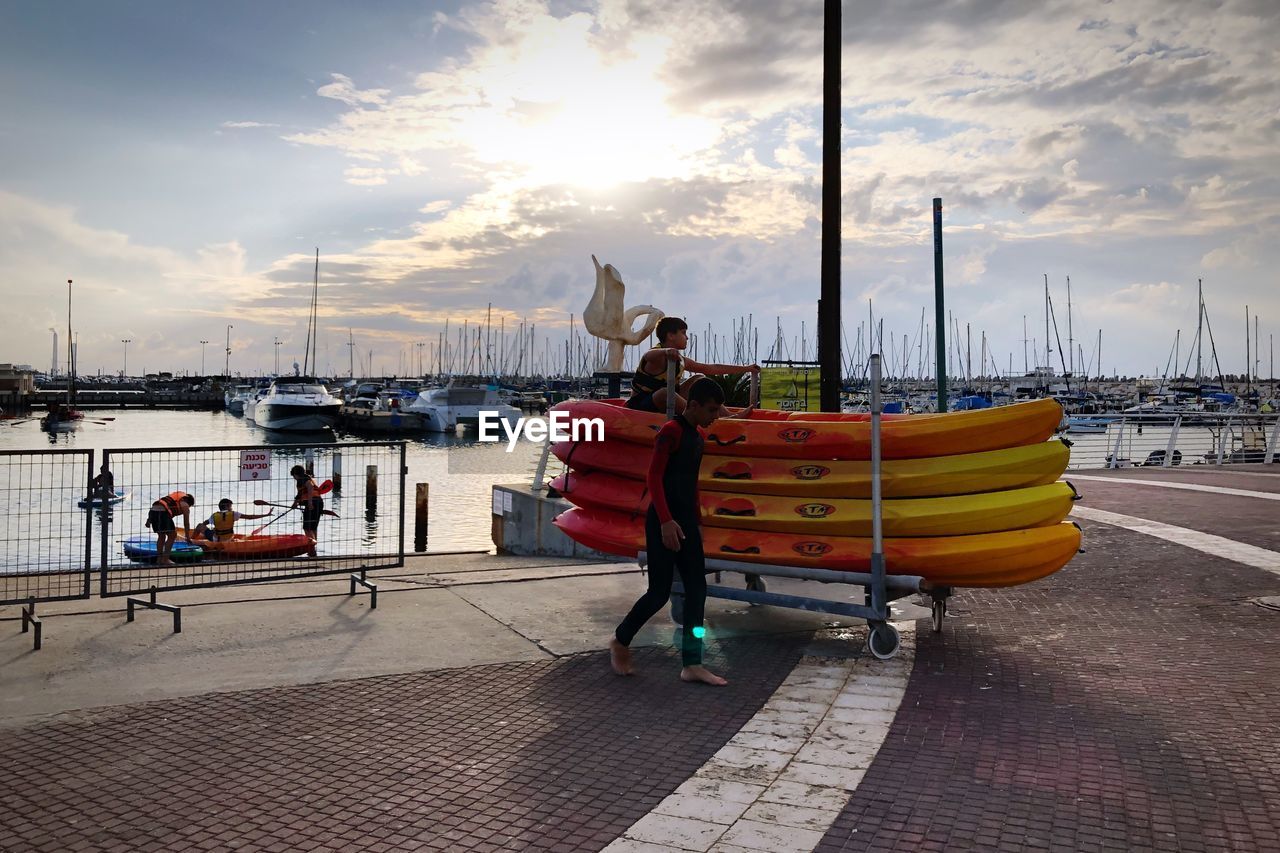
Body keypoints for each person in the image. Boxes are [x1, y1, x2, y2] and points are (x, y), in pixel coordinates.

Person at [610, 377, 728, 686]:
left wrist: (698, 523)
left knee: (697, 592)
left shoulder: (699, 437)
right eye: (712, 410)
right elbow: (653, 478)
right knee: (659, 593)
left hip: (686, 523)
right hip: (663, 522)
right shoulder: (670, 432)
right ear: (693, 405)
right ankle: (621, 640)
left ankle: (692, 662)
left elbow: (690, 485)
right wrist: (665, 521)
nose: (715, 416)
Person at [625, 317, 759, 416]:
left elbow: (711, 368)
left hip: (666, 404)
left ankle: (729, 416)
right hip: (641, 406)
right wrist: (666, 352)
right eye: (683, 333)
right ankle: (702, 417)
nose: (687, 338)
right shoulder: (657, 357)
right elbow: (648, 355)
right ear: (671, 335)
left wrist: (746, 368)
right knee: (665, 393)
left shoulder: (681, 360)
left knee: (699, 378)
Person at [146, 491, 194, 566]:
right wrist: (187, 537)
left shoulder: (173, 500)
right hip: (162, 512)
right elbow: (186, 523)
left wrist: (149, 520)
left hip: (152, 512)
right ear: (189, 502)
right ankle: (165, 559)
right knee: (172, 535)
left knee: (161, 536)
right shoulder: (185, 505)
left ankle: (159, 559)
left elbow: (159, 505)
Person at [193, 498, 271, 542]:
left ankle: (191, 540)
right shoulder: (234, 514)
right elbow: (250, 517)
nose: (231, 508)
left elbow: (204, 523)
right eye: (230, 506)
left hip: (216, 539)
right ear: (227, 507)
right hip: (229, 538)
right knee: (215, 529)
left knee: (200, 526)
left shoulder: (214, 516)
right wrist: (266, 515)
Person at [290, 465, 323, 557]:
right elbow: (300, 494)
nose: (294, 478)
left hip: (313, 504)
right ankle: (313, 549)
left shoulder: (303, 479)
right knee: (313, 527)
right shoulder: (306, 478)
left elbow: (310, 487)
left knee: (307, 527)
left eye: (294, 476)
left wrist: (309, 502)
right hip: (319, 503)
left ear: (296, 474)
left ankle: (311, 548)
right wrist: (295, 503)